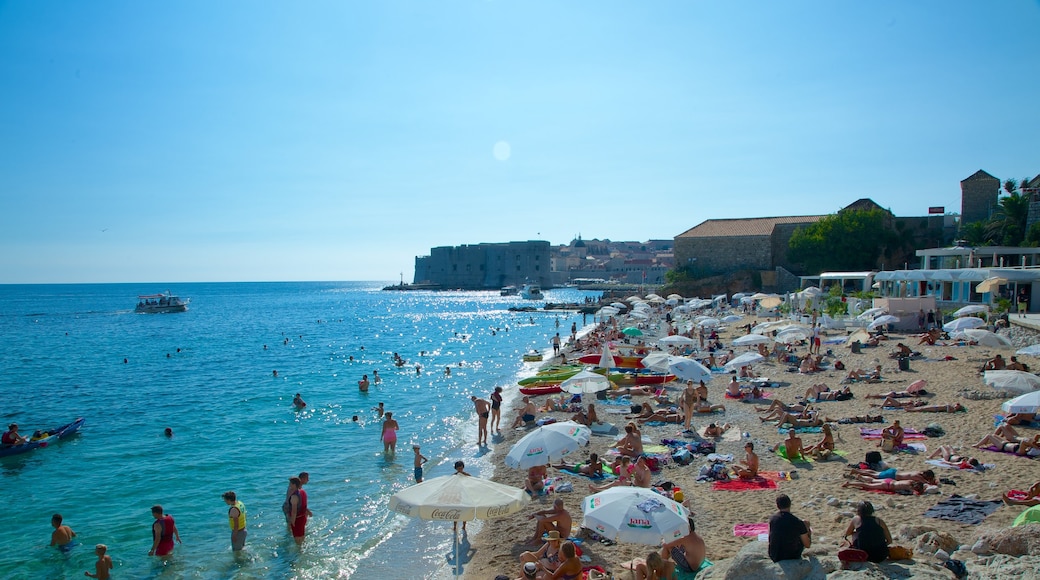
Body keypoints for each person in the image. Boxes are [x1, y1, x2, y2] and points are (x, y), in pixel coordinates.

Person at [767, 494, 811, 562]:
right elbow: (807, 545)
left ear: (777, 506)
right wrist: (808, 530)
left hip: (774, 555)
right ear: (790, 504)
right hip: (792, 556)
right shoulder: (797, 522)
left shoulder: (772, 519)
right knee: (804, 527)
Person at [286, 476, 309, 544]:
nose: (289, 485)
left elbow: (294, 511)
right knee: (302, 537)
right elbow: (304, 505)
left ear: (294, 484)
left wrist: (292, 521)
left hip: (297, 519)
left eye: (290, 484)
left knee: (297, 540)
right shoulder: (303, 492)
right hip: (303, 518)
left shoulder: (294, 496)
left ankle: (299, 553)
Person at [841, 479, 925, 494]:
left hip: (890, 480)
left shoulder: (910, 481)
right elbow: (915, 493)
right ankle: (850, 483)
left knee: (872, 480)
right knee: (867, 486)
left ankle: (860, 478)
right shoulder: (909, 487)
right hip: (887, 485)